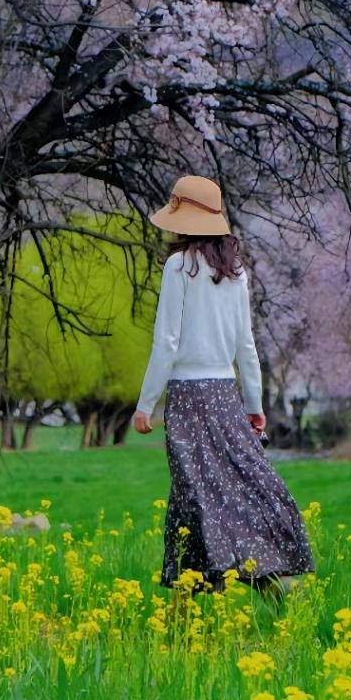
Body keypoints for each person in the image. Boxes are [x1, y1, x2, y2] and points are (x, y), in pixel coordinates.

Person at [132, 174, 315, 597]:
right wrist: (254, 404)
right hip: (224, 394)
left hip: (187, 397)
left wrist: (146, 403)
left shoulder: (179, 266)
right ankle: (251, 579)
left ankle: (212, 590)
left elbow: (167, 341)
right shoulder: (235, 271)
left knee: (194, 492)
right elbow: (245, 344)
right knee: (232, 485)